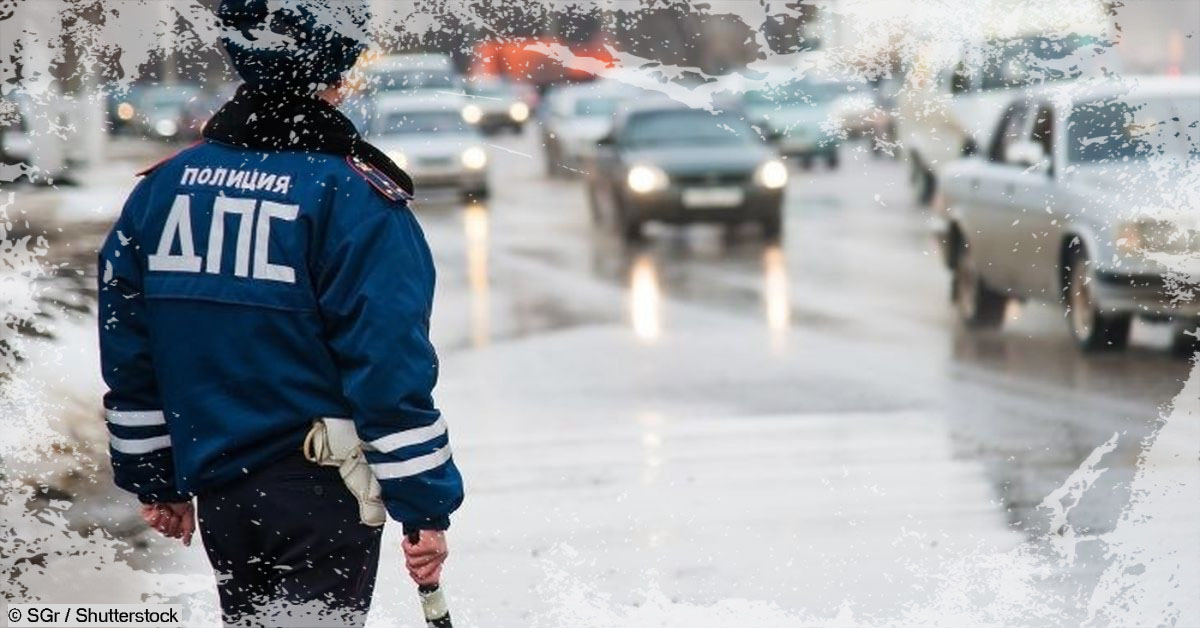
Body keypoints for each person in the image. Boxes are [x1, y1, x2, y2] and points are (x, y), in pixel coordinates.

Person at [96, 1, 463, 624]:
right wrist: (423, 507)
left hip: (220, 490)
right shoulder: (352, 196)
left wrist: (154, 478)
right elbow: (387, 361)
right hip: (318, 491)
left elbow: (129, 345)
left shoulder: (163, 188)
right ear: (340, 71)